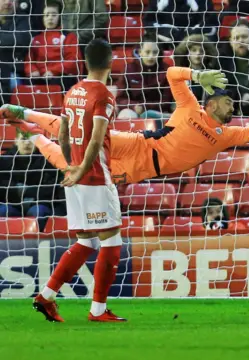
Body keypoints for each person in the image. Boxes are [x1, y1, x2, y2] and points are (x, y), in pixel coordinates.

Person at [2, 71, 249, 186]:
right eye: (230, 103)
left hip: (144, 170)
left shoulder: (226, 135)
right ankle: (26, 112)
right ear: (213, 103)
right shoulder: (189, 106)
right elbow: (173, 73)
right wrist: (197, 74)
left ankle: (30, 132)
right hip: (139, 144)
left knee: (65, 162)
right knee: (81, 135)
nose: (234, 108)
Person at [32, 39, 125, 323]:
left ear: (85, 62)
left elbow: (62, 132)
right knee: (112, 242)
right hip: (94, 176)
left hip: (74, 174)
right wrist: (83, 168)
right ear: (110, 62)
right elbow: (97, 138)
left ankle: (46, 296)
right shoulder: (103, 95)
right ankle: (98, 310)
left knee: (86, 242)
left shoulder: (73, 91)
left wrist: (69, 165)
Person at [0, 131, 64, 229]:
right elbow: (3, 189)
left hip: (37, 204)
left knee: (40, 212)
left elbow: (51, 189)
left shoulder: (47, 161)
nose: (27, 143)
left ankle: (37, 242)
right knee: (3, 211)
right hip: (12, 205)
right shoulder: (4, 160)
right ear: (16, 141)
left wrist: (22, 190)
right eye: (23, 139)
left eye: (31, 139)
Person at [26, 0, 82, 91]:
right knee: (28, 82)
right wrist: (32, 70)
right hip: (40, 76)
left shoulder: (68, 36)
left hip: (60, 76)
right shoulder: (36, 38)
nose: (50, 18)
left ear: (60, 16)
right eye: (47, 15)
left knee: (58, 81)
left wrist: (53, 71)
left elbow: (73, 60)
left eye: (54, 14)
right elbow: (29, 60)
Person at [115, 35, 171, 122]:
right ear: (140, 52)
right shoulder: (129, 69)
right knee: (126, 115)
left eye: (155, 52)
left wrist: (144, 107)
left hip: (158, 112)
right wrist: (133, 106)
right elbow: (120, 98)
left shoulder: (167, 70)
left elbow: (166, 101)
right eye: (147, 52)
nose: (151, 56)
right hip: (134, 110)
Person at [143, 0, 218, 44]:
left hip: (195, 41)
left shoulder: (203, 1)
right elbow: (148, 22)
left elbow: (210, 22)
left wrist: (190, 33)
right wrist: (168, 32)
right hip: (166, 40)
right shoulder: (157, 1)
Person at [173, 34, 219, 105]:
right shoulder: (180, 74)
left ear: (207, 55)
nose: (198, 54)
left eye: (201, 51)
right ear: (187, 53)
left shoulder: (213, 75)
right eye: (194, 50)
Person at [0, 0, 31, 104]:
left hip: (13, 71)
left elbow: (21, 39)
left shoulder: (22, 18)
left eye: (12, 0)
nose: (8, 2)